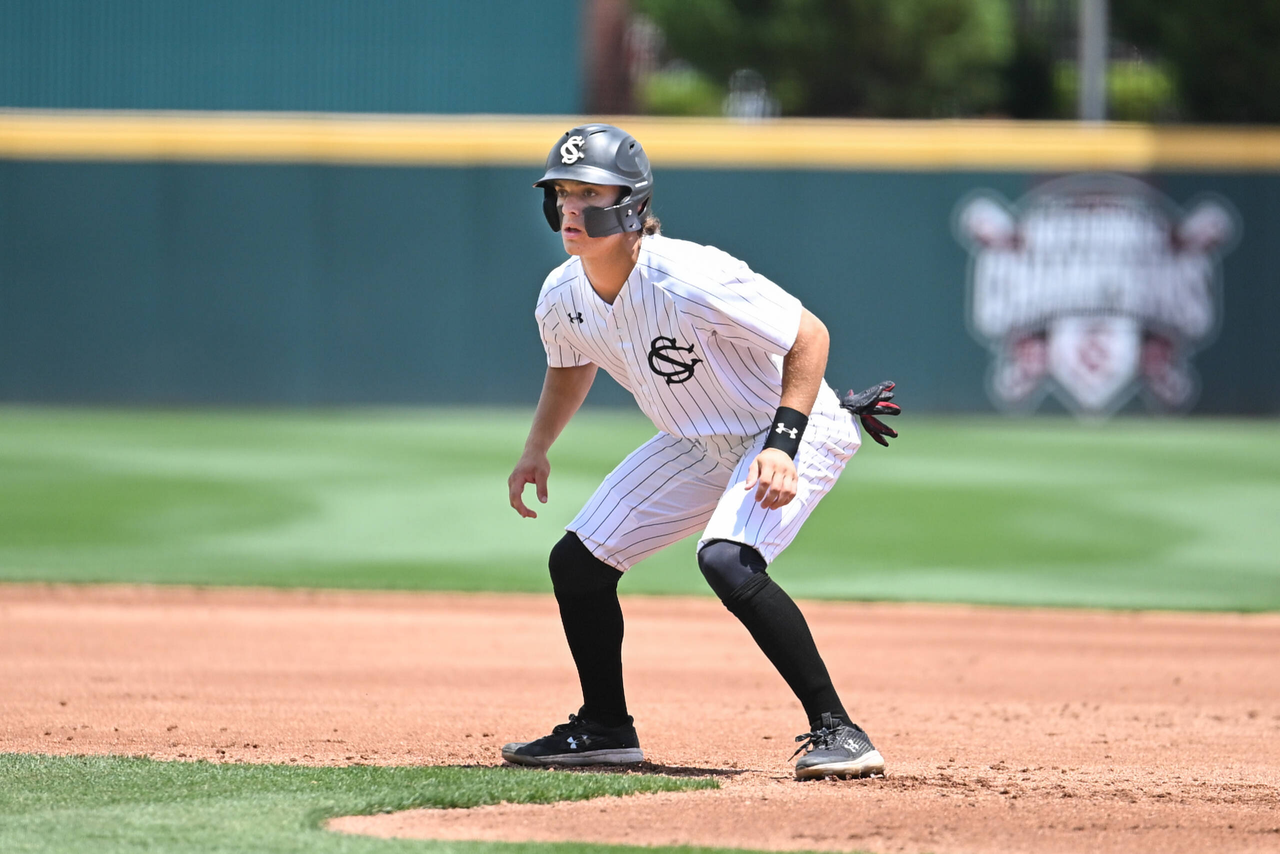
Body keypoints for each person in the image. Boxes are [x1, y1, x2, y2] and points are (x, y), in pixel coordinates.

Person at [503, 124, 900, 780]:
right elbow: (572, 364)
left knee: (727, 559)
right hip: (696, 438)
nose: (570, 207)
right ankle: (605, 727)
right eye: (561, 193)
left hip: (791, 427)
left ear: (632, 205)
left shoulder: (687, 276)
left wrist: (783, 446)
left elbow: (809, 337)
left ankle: (841, 730)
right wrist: (536, 447)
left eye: (589, 193)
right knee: (578, 563)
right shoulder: (562, 294)